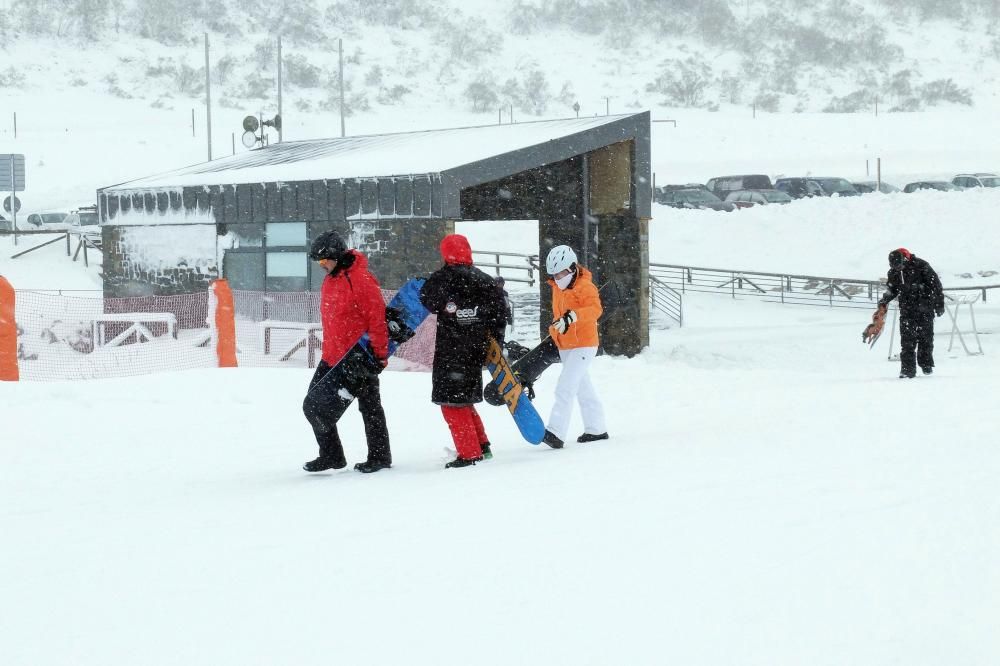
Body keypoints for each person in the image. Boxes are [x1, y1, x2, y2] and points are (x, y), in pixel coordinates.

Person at [301, 230, 392, 474]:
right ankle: (332, 456)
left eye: (323, 261)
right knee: (313, 406)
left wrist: (380, 355)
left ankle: (380, 457)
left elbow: (377, 319)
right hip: (332, 356)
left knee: (370, 407)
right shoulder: (330, 279)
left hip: (359, 357)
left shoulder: (361, 279)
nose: (321, 266)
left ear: (336, 256)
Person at [420, 234, 507, 468]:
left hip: (451, 352)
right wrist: (493, 345)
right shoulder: (486, 281)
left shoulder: (442, 279)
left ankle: (469, 454)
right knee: (465, 401)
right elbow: (500, 315)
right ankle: (482, 445)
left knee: (451, 404)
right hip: (476, 351)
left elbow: (425, 299)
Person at [541, 245, 608, 448]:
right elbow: (557, 316)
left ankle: (555, 431)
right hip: (565, 345)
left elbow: (595, 309)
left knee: (565, 387)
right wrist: (555, 329)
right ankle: (596, 429)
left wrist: (572, 316)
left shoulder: (585, 287)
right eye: (555, 274)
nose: (558, 277)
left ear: (572, 268)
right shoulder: (556, 288)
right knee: (582, 387)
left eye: (561, 273)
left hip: (584, 344)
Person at [875, 247, 945, 378]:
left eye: (900, 265)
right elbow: (892, 289)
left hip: (925, 307)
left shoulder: (921, 265)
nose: (898, 269)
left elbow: (936, 285)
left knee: (926, 338)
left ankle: (926, 364)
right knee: (907, 341)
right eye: (895, 267)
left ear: (905, 259)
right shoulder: (894, 273)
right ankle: (907, 370)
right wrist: (884, 300)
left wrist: (939, 304)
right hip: (907, 310)